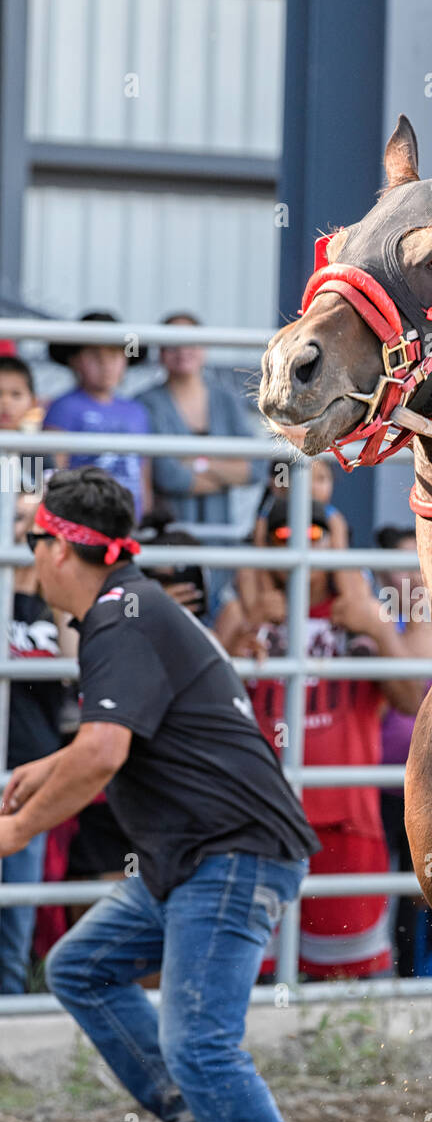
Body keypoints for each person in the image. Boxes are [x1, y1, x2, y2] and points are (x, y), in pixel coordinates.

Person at [1, 467, 355, 1122]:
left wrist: (17, 831)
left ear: (61, 549)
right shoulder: (128, 607)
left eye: (32, 542)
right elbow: (102, 748)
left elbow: (102, 755)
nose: (27, 561)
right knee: (81, 967)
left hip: (228, 855)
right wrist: (46, 773)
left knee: (199, 1042)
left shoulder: (119, 618)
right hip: (202, 855)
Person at [216, 498, 426, 979]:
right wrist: (241, 635)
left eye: (314, 535)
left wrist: (374, 627)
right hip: (258, 821)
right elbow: (199, 704)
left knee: (352, 980)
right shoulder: (241, 613)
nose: (299, 548)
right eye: (283, 537)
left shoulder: (358, 611)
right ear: (263, 542)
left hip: (346, 821)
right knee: (251, 974)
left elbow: (409, 700)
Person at [137, 312, 268, 612]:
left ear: (204, 349)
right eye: (173, 343)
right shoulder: (146, 403)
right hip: (167, 545)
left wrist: (196, 463)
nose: (183, 350)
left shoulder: (226, 400)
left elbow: (256, 468)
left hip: (221, 542)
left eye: (191, 342)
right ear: (160, 352)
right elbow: (169, 475)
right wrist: (224, 465)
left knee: (223, 618)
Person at [0, 491, 63, 993]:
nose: (22, 530)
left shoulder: (54, 598)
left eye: (32, 521)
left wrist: (45, 580)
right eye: (14, 518)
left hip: (30, 773)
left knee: (18, 909)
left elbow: (80, 661)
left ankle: (11, 1004)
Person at [374, 526, 432, 977]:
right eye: (401, 564)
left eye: (417, 560)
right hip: (376, 782)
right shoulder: (370, 620)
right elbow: (407, 695)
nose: (412, 576)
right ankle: (388, 975)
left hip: (430, 781)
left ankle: (418, 977)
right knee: (381, 883)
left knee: (425, 889)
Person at [43, 311, 151, 521]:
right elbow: (54, 470)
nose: (105, 364)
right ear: (74, 360)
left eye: (114, 355)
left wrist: (145, 511)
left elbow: (142, 471)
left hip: (129, 517)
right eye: (94, 355)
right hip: (84, 517)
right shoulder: (63, 408)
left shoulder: (137, 411)